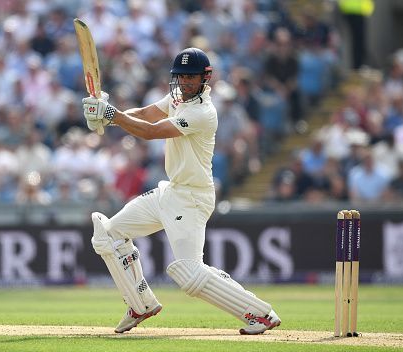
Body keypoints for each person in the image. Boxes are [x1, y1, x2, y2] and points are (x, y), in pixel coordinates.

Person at [81, 48, 280, 335]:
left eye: (191, 77)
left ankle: (261, 314)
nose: (185, 82)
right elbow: (145, 114)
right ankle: (140, 304)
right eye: (181, 76)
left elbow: (151, 131)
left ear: (205, 78)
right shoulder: (176, 97)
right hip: (170, 191)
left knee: (188, 273)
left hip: (192, 198)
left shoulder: (203, 113)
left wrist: (112, 114)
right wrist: (107, 117)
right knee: (108, 233)